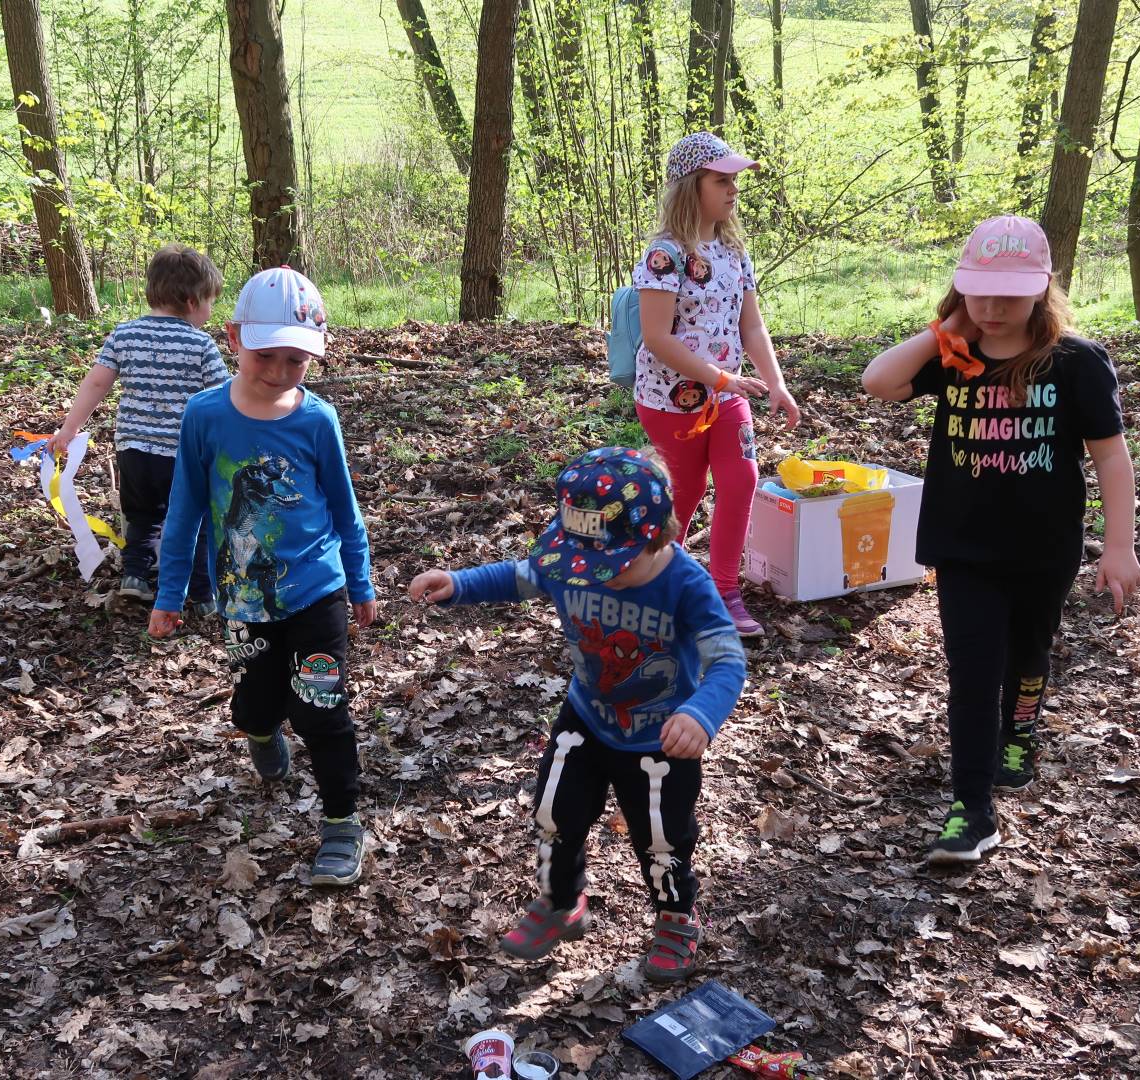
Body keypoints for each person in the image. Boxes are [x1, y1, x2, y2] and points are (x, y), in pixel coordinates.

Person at [860, 215, 1140, 866]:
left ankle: (1020, 732)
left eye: (1009, 294)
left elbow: (1110, 457)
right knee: (972, 674)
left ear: (1041, 289)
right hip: (963, 548)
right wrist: (945, 330)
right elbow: (877, 382)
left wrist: (1118, 545)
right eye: (979, 291)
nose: (992, 307)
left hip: (1044, 546)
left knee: (1028, 652)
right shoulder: (951, 356)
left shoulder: (1075, 362)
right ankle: (972, 809)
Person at [409, 447, 747, 982]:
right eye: (586, 566)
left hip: (661, 739)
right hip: (586, 719)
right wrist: (460, 584)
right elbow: (521, 577)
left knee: (662, 837)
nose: (595, 578)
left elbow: (727, 659)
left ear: (657, 537)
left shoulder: (686, 585)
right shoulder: (574, 565)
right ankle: (561, 901)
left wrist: (701, 714)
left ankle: (676, 917)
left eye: (611, 567)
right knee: (554, 812)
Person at [148, 266, 377, 886]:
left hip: (317, 591)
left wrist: (360, 583)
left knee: (321, 708)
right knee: (255, 703)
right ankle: (260, 727)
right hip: (243, 598)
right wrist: (171, 591)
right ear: (233, 338)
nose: (278, 371)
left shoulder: (316, 420)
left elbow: (345, 509)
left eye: (295, 360)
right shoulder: (204, 416)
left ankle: (341, 824)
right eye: (264, 355)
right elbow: (186, 510)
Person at [632, 131, 801, 639]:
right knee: (682, 498)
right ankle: (660, 588)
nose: (733, 190)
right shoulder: (665, 254)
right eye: (721, 181)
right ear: (692, 186)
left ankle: (724, 591)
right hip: (670, 400)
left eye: (734, 181)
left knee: (742, 479)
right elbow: (657, 337)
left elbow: (752, 326)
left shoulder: (733, 251)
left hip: (729, 396)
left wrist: (775, 382)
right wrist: (722, 377)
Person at [50, 243, 227, 605]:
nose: (210, 311)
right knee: (195, 519)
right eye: (210, 301)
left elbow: (96, 383)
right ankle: (201, 590)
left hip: (133, 450)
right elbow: (222, 397)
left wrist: (69, 429)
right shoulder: (201, 344)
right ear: (192, 301)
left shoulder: (125, 334)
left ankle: (136, 575)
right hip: (182, 454)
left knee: (143, 516)